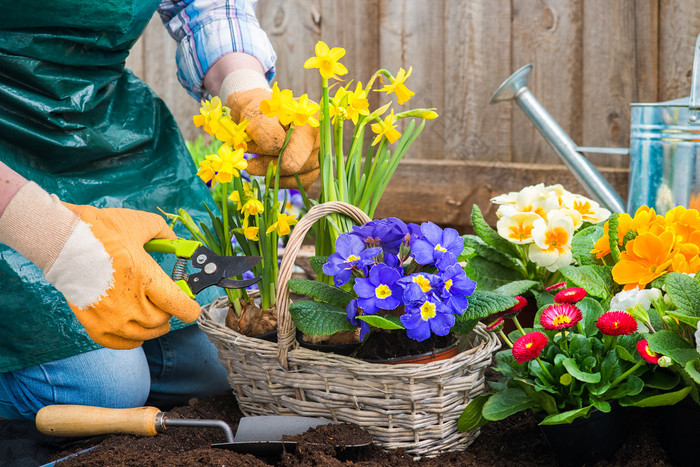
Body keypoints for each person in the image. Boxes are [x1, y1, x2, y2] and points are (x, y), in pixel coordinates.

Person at [0, 0, 318, 420]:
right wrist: (57, 241)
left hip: (98, 124)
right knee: (105, 388)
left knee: (217, 359)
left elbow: (205, 8)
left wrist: (248, 92)